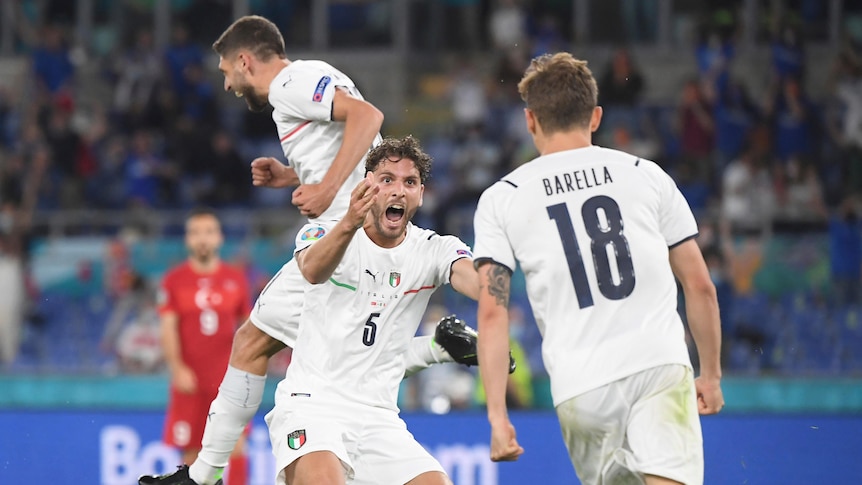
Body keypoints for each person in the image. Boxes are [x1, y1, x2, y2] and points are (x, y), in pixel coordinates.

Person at [139, 16, 479, 485]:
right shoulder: (312, 82)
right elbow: (357, 146)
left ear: (244, 60)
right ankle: (439, 346)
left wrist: (324, 189)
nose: (227, 82)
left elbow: (369, 117)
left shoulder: (289, 84)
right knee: (353, 346)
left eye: (225, 70)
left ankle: (204, 475)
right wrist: (293, 174)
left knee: (251, 343)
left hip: (343, 238)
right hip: (367, 236)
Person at [472, 52, 725, 485]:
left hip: (581, 385)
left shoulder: (503, 197)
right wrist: (712, 374)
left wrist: (498, 416)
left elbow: (493, 312)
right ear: (596, 117)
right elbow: (700, 285)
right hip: (657, 365)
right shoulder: (647, 175)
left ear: (530, 121)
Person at [266, 135, 481, 485]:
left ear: (421, 194)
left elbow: (474, 281)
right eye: (387, 180)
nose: (398, 190)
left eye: (409, 182)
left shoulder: (434, 249)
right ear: (367, 186)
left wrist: (496, 284)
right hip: (311, 406)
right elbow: (312, 270)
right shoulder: (326, 229)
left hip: (378, 418)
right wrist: (350, 221)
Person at [158, 208, 252, 485]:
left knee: (235, 446)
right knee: (192, 453)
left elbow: (248, 328)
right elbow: (168, 328)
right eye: (196, 233)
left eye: (209, 232)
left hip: (228, 381)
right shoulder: (174, 280)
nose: (203, 239)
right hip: (190, 380)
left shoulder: (235, 279)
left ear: (219, 238)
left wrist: (246, 370)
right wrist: (177, 368)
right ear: (187, 239)